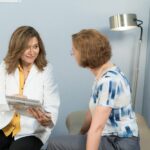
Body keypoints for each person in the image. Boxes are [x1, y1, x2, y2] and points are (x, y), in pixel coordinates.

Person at [47, 29, 140, 150]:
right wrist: (80, 133)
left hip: (119, 143)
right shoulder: (102, 74)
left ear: (86, 54)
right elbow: (92, 112)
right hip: (110, 138)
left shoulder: (109, 81)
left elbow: (97, 129)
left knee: (54, 144)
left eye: (74, 51)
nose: (73, 54)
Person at [0, 26, 60, 150]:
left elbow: (52, 104)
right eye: (27, 47)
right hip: (5, 126)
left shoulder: (46, 69)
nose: (32, 52)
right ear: (17, 47)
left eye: (35, 46)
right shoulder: (5, 66)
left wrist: (47, 120)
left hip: (32, 132)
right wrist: (11, 102)